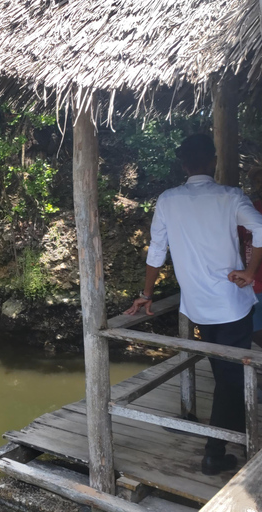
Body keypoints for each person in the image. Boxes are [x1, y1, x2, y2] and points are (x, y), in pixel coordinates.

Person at [125, 133, 262, 476]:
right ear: (213, 161)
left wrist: (146, 293)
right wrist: (250, 271)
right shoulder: (230, 196)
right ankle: (215, 452)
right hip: (231, 303)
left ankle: (231, 430)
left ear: (184, 165)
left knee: (223, 372)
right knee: (230, 377)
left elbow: (157, 250)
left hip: (197, 306)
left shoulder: (169, 200)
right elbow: (260, 228)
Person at [238, 166, 262, 347]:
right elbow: (237, 241)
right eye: (258, 180)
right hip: (253, 281)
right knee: (254, 328)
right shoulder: (248, 210)